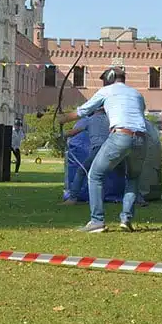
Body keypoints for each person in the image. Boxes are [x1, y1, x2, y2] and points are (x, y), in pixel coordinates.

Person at [57, 66, 148, 233]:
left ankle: (97, 221)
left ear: (109, 78)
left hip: (121, 135)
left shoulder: (106, 91)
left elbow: (83, 111)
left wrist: (63, 119)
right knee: (133, 178)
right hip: (142, 139)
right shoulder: (137, 94)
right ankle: (126, 218)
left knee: (94, 175)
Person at [63, 107, 110, 205]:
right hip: (111, 149)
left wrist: (62, 134)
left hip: (98, 149)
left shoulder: (89, 120)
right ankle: (100, 199)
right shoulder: (110, 119)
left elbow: (73, 132)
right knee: (101, 174)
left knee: (81, 171)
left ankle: (72, 198)